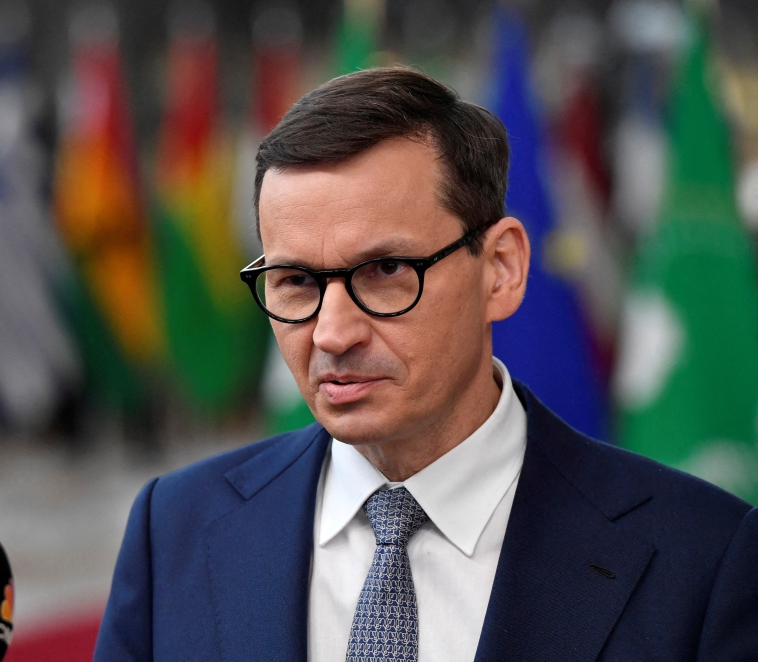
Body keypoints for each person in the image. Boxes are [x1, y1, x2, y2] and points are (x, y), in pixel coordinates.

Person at [94, 68, 758, 661]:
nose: (331, 332)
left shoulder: (703, 556)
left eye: (385, 271)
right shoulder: (173, 529)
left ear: (500, 269)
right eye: (294, 282)